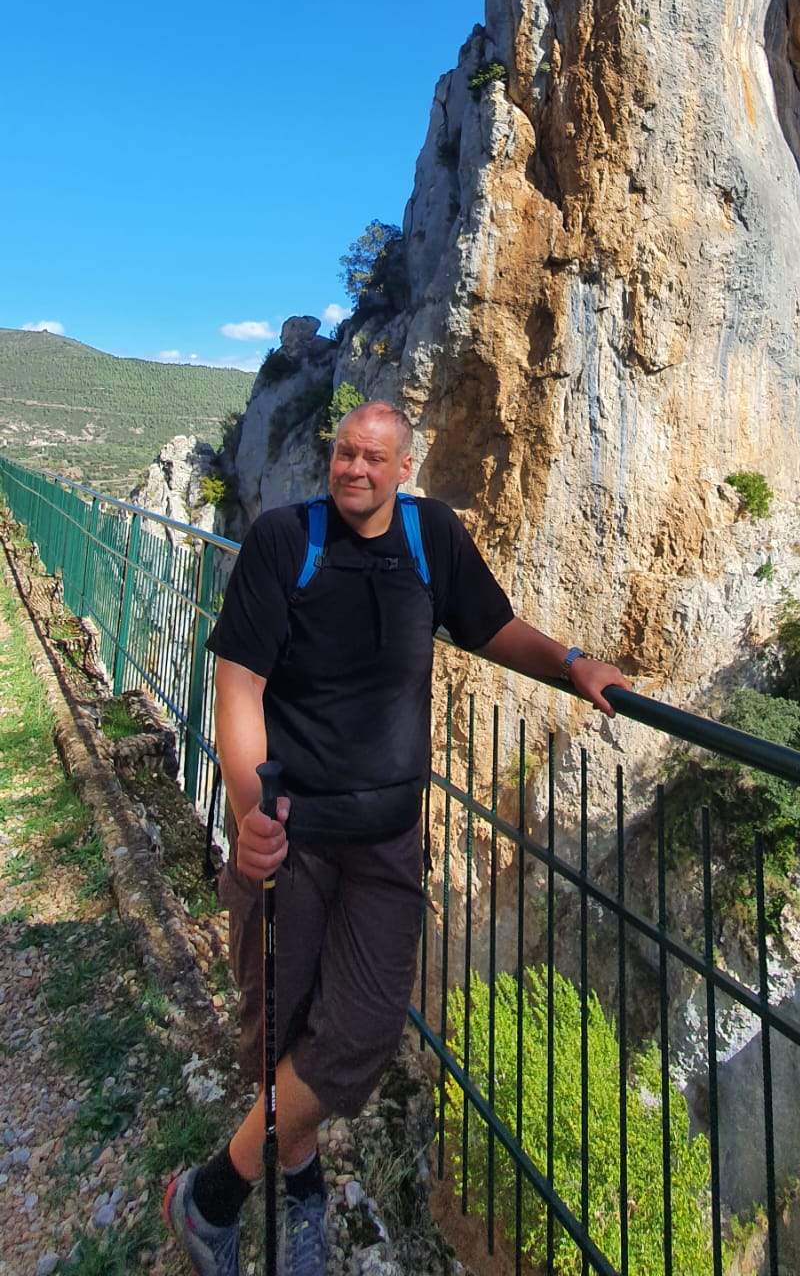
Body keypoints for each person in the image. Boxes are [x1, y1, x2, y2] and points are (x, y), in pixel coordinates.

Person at [165, 400, 632, 1275]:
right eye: (345, 453)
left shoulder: (432, 539)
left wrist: (572, 663)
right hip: (293, 838)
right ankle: (301, 1197)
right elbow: (238, 683)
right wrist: (247, 810)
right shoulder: (281, 539)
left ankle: (210, 1195)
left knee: (364, 1029)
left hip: (386, 842)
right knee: (280, 1025)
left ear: (404, 468)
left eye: (375, 458)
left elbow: (492, 627)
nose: (355, 470)